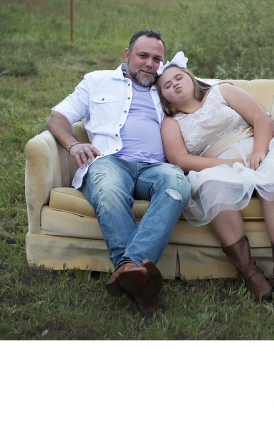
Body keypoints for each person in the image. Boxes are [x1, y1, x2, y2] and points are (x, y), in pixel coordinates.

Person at [157, 52, 274, 306]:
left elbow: (261, 118)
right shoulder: (171, 123)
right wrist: (227, 164)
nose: (175, 85)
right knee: (211, 189)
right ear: (163, 97)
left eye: (179, 78)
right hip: (216, 164)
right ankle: (250, 273)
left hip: (258, 149)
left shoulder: (221, 92)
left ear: (191, 78)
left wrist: (260, 151)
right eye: (167, 86)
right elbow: (181, 160)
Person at [46, 30, 191, 316]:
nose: (150, 64)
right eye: (143, 56)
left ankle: (129, 267)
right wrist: (73, 144)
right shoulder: (97, 81)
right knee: (109, 191)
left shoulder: (167, 87)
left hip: (156, 167)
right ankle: (143, 287)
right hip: (109, 162)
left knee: (178, 186)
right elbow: (57, 117)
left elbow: (209, 95)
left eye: (157, 59)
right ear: (127, 55)